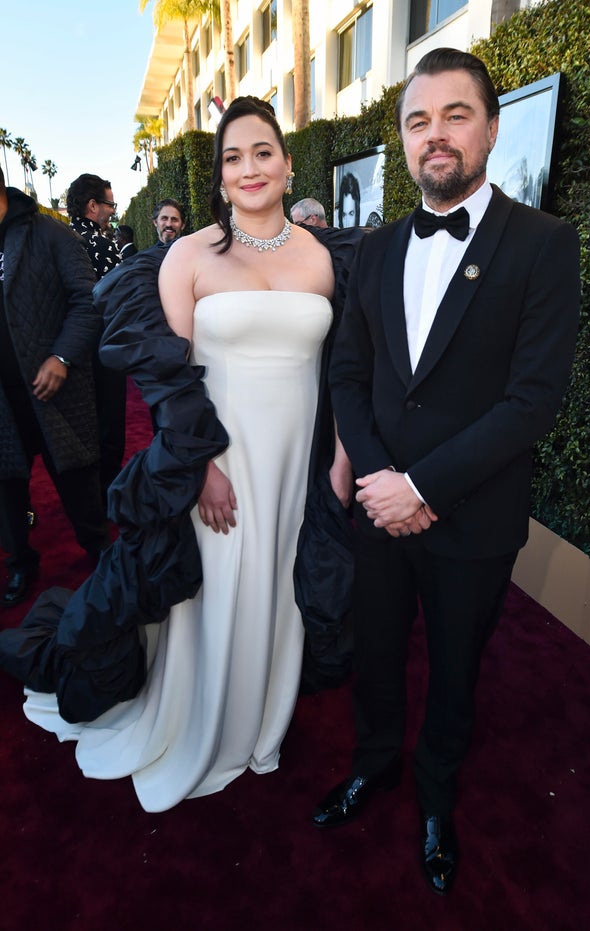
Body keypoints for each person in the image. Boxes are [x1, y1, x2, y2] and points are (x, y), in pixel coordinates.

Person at [8, 96, 351, 812]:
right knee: (223, 589)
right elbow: (170, 381)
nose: (249, 168)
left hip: (297, 463)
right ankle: (207, 725)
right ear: (220, 179)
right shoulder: (188, 256)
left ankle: (264, 721)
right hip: (219, 463)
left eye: (263, 152)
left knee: (280, 586)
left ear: (288, 164)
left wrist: (340, 462)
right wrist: (200, 469)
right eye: (233, 158)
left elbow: (349, 369)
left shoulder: (325, 256)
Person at [311, 48, 580, 896]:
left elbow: (533, 400)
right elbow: (349, 375)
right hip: (379, 507)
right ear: (402, 139)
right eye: (418, 120)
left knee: (457, 670)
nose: (436, 135)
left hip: (472, 517)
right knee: (377, 651)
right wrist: (383, 479)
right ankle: (375, 764)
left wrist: (419, 488)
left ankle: (436, 797)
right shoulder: (378, 245)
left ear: (491, 129)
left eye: (455, 115)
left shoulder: (544, 243)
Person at [0, 167, 110, 606]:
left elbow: (90, 299)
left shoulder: (50, 234)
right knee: (6, 489)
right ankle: (21, 564)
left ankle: (101, 553)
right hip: (3, 401)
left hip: (54, 390)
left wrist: (62, 356)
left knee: (78, 481)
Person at [67, 173, 126, 502]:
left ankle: (87, 496)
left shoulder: (59, 240)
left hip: (69, 351)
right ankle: (108, 495)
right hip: (105, 349)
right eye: (110, 204)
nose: (112, 212)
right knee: (109, 426)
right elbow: (119, 300)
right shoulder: (101, 246)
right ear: (93, 206)